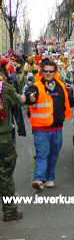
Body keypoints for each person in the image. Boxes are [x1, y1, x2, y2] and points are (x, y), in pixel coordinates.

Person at [25, 59, 74, 189]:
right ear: (42, 72)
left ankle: (50, 178)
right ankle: (39, 179)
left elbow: (69, 100)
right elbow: (30, 96)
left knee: (53, 155)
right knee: (43, 153)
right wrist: (30, 98)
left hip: (57, 128)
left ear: (55, 72)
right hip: (40, 129)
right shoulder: (35, 86)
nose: (48, 73)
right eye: (45, 71)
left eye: (51, 71)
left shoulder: (60, 86)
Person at [0, 61, 24, 221]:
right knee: (5, 174)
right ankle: (10, 211)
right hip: (3, 139)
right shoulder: (5, 88)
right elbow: (20, 100)